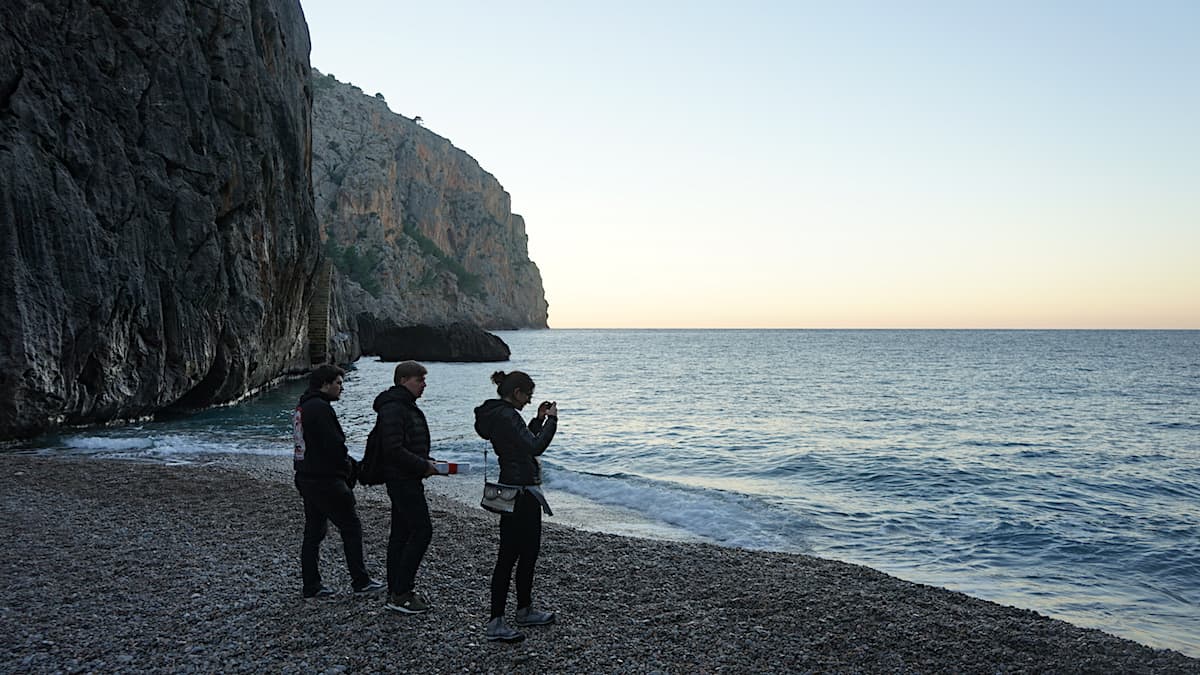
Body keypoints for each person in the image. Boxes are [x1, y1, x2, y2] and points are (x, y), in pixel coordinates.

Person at [474, 370, 559, 642]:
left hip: (511, 489)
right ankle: (498, 620)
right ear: (517, 392)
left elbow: (520, 443)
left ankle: (522, 610)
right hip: (521, 494)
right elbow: (534, 447)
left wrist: (537, 420)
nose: (529, 400)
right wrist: (552, 423)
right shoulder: (508, 416)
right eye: (528, 395)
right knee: (515, 555)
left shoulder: (499, 415)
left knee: (518, 554)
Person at [293, 364, 384, 598]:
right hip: (325, 479)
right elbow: (334, 446)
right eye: (338, 383)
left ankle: (311, 585)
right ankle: (360, 580)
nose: (341, 388)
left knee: (313, 532)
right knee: (351, 527)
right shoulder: (321, 409)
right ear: (325, 384)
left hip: (307, 476)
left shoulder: (303, 406)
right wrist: (352, 471)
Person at [373, 360, 439, 614]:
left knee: (401, 534)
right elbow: (393, 449)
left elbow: (404, 444)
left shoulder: (401, 405)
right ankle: (402, 592)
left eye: (424, 379)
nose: (424, 385)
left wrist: (426, 463)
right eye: (419, 380)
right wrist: (422, 466)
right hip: (402, 479)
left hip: (406, 476)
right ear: (403, 381)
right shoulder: (395, 408)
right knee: (422, 531)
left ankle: (395, 590)